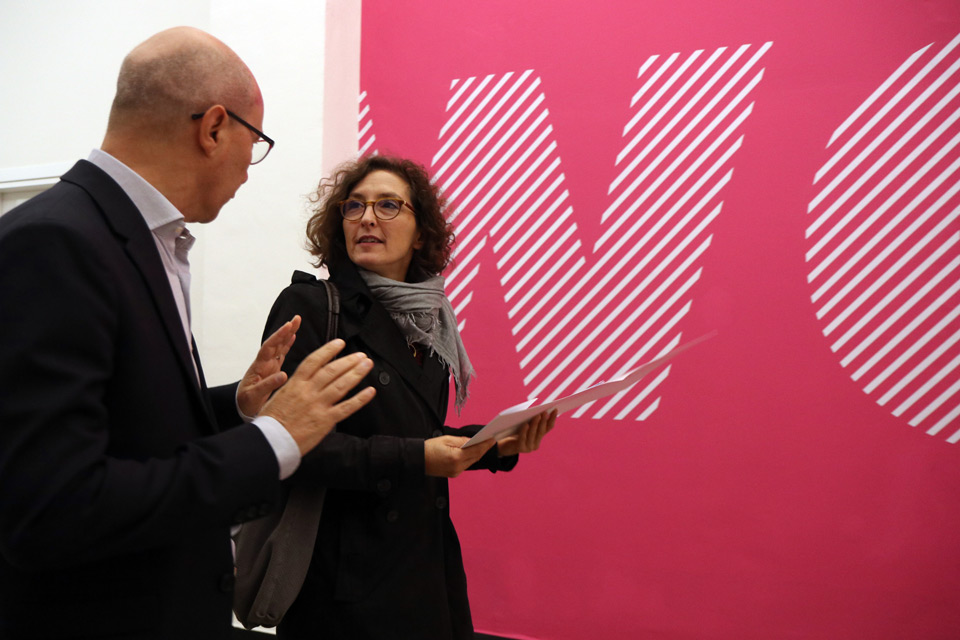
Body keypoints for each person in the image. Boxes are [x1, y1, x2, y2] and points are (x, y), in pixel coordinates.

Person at [0, 27, 376, 640]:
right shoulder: (57, 243)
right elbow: (54, 506)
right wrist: (274, 439)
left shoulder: (136, 239)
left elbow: (122, 426)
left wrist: (235, 406)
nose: (249, 171)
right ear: (214, 128)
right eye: (256, 143)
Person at [259, 155, 557, 639]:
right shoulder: (311, 307)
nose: (367, 218)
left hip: (425, 571)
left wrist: (494, 443)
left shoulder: (429, 323)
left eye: (388, 205)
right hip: (343, 586)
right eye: (354, 206)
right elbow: (291, 446)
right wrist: (417, 458)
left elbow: (417, 434)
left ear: (421, 234)